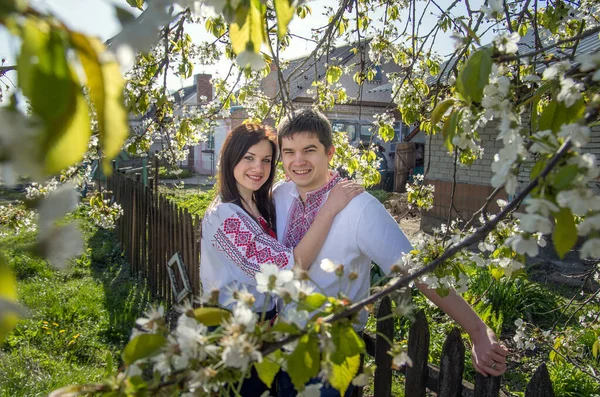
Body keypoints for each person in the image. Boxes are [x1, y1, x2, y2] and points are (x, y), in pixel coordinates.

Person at [273, 109, 509, 397]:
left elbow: (417, 269)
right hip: (280, 346)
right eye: (289, 152)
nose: (298, 161)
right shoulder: (280, 195)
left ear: (330, 152)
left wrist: (477, 330)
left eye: (309, 150)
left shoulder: (360, 209)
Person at [200, 123, 363, 397]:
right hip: (233, 334)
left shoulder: (258, 203)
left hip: (263, 331)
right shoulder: (225, 217)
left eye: (266, 160)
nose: (258, 168)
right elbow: (290, 266)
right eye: (248, 158)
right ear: (230, 159)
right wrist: (331, 207)